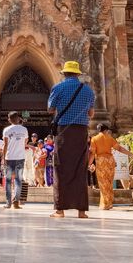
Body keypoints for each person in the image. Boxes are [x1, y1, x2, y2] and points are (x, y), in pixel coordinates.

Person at [47, 60, 96, 219]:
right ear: (77, 74)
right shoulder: (88, 91)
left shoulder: (58, 87)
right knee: (80, 169)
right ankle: (81, 211)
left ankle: (60, 210)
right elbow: (91, 113)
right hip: (81, 131)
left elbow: (50, 109)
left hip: (63, 131)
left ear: (64, 73)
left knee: (61, 168)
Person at [89, 123, 133, 210]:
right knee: (109, 183)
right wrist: (130, 154)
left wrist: (89, 164)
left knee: (103, 183)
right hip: (110, 161)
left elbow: (92, 153)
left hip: (101, 162)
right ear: (106, 130)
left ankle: (105, 204)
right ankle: (109, 203)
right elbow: (120, 148)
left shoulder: (94, 139)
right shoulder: (110, 138)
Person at [1, 111, 29, 209]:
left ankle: (8, 203)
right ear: (18, 119)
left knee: (8, 180)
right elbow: (25, 141)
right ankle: (16, 201)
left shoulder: (6, 130)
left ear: (9, 120)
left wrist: (3, 158)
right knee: (18, 180)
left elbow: (5, 144)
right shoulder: (24, 129)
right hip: (20, 157)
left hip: (9, 158)